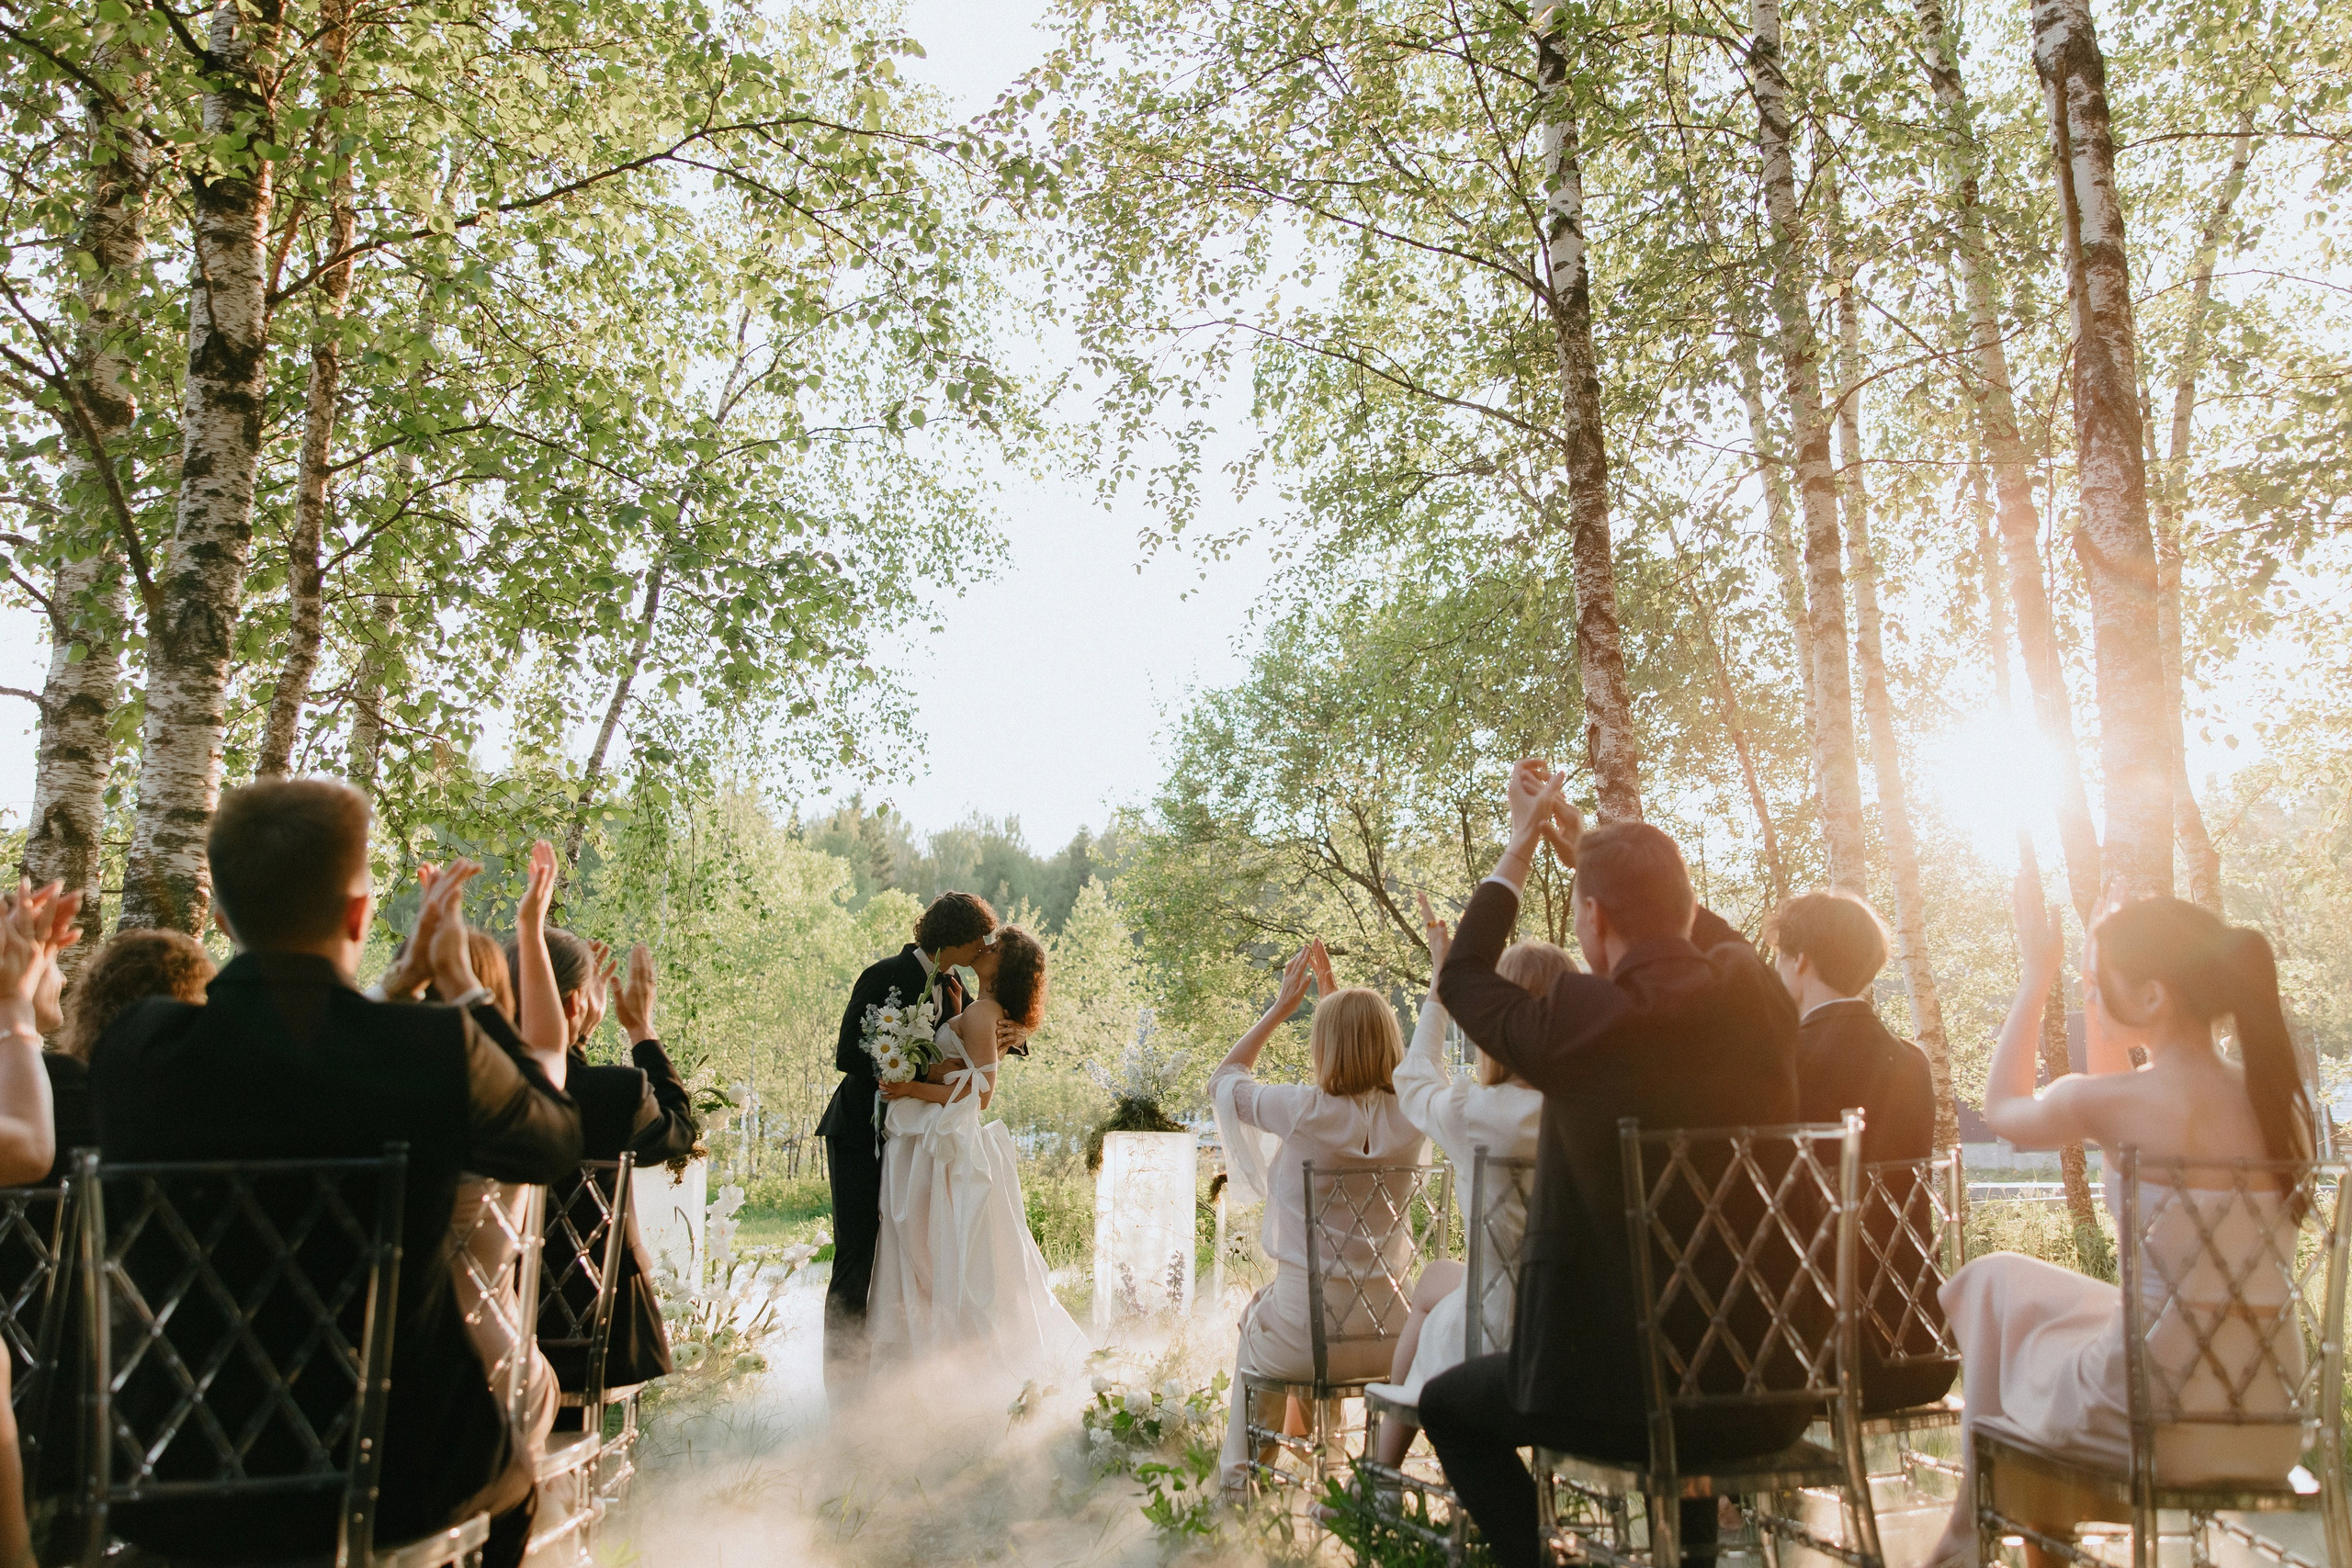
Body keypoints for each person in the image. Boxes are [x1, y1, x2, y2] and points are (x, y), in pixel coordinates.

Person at [86, 780, 581, 1566]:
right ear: (359, 915)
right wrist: (467, 988)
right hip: (399, 1475)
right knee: (519, 1475)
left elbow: (288, 1064)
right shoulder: (429, 1053)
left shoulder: (137, 1049)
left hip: (169, 1470)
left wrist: (393, 991)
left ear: (220, 919)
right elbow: (555, 1140)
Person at [1419, 762, 1805, 1568]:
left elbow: (1460, 976)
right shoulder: (1760, 1003)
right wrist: (1607, 856)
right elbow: (1725, 945)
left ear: (1591, 919)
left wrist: (1522, 848)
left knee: (1447, 1406)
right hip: (1767, 1387)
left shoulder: (1582, 1020)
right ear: (1690, 909)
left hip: (1606, 1395)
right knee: (1687, 1407)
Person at [1922, 882, 2315, 1568]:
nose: (2091, 995)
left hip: (2153, 1420)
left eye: (2100, 982)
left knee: (1991, 1286)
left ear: (2156, 995)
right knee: (2028, 1295)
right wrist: (2109, 950)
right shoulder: (2283, 1107)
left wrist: (2035, 975)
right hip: (2269, 1419)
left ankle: (1969, 1529)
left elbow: (2002, 1105)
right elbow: (2126, 1097)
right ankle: (1977, 1523)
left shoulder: (2113, 1103)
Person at [1211, 938, 1430, 1496]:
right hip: (1394, 1336)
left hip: (1306, 1338)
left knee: (1261, 1323)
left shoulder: (1303, 1109)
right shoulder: (1415, 1114)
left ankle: (1244, 1486)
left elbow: (1226, 1079)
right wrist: (1344, 1009)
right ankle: (1320, 1464)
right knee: (1272, 1308)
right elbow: (1367, 1079)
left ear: (1323, 1046)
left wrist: (1282, 1007)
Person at [1364, 892, 1556, 1472]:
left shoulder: (1476, 1112)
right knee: (1436, 1278)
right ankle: (1380, 1472)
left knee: (1433, 1301)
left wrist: (1440, 988)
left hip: (1499, 1337)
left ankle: (1381, 1474)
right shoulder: (1593, 1108)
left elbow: (1414, 1074)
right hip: (1576, 1327)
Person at [866, 923, 1086, 1373]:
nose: (985, 946)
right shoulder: (979, 1005)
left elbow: (980, 1093)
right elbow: (971, 1064)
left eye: (995, 944)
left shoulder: (986, 1011)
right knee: (929, 1245)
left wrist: (912, 1086)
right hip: (932, 1136)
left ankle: (946, 1361)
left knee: (937, 1247)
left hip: (944, 1137)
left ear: (1006, 962)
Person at [1770, 890, 1954, 1413]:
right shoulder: (1912, 1063)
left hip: (1812, 1358)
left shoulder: (1785, 1063)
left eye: (1780, 956)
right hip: (1918, 1346)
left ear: (1800, 960)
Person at [819, 891, 997, 1396]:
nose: (983, 946)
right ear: (956, 939)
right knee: (856, 1254)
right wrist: (922, 1068)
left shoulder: (957, 985)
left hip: (913, 1142)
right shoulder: (883, 974)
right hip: (858, 1133)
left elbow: (963, 1046)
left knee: (909, 1252)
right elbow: (848, 1051)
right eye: (978, 938)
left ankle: (898, 1375)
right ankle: (843, 1389)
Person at [533, 936, 698, 1408]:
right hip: (599, 1330)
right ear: (574, 1003)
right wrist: (640, 1027)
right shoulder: (616, 1093)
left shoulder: (480, 1087)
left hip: (487, 1326)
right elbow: (678, 1132)